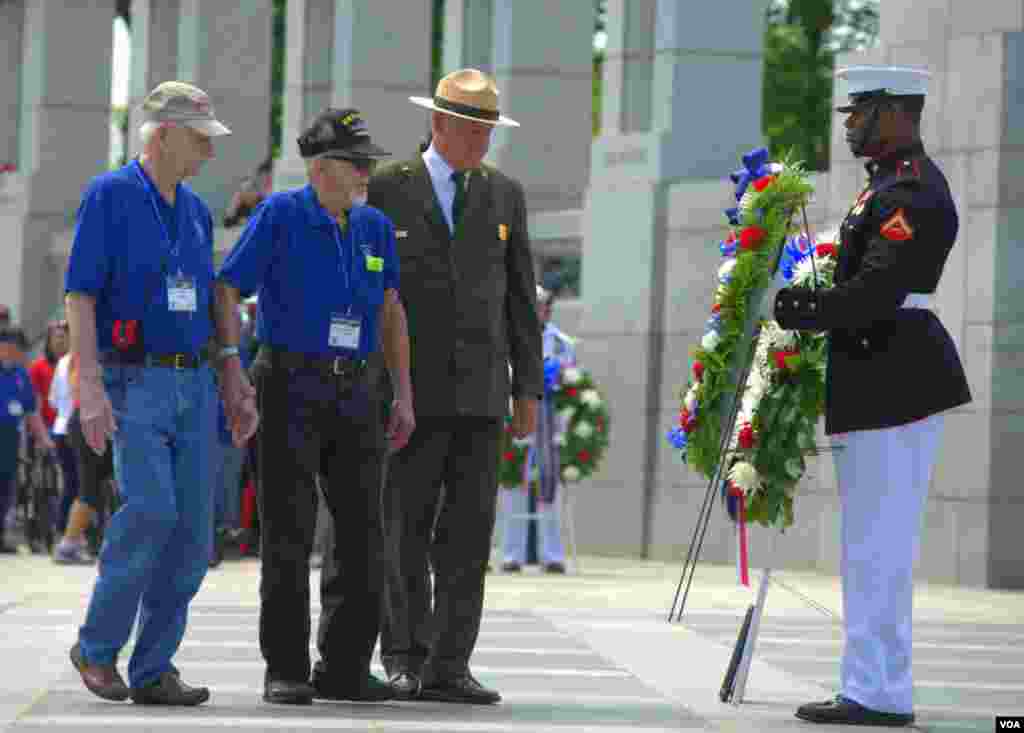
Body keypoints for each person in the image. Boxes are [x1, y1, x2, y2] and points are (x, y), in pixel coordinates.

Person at [772, 66, 972, 728]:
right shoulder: (882, 188)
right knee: (866, 545)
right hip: (875, 377)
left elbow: (875, 294)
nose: (852, 125)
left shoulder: (912, 192)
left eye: (863, 112)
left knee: (881, 545)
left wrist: (801, 306)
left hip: (898, 377)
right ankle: (868, 684)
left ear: (898, 115)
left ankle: (880, 691)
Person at [215, 107, 414, 706]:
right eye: (358, 163)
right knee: (288, 528)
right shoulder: (280, 213)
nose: (366, 174)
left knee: (363, 532)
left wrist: (403, 390)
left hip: (359, 387)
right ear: (322, 167)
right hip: (289, 383)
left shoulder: (375, 226)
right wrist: (231, 362)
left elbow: (390, 310)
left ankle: (347, 664)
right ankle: (287, 668)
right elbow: (228, 284)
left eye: (369, 163)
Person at [64, 81, 254, 707]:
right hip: (132, 378)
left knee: (196, 534)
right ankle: (97, 648)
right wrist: (86, 383)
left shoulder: (197, 211)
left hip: (194, 381)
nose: (208, 151)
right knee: (150, 510)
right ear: (164, 135)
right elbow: (82, 294)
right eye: (200, 140)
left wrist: (232, 373)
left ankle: (153, 667)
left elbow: (210, 299)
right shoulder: (110, 196)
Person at [369, 68, 543, 704]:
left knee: (468, 537)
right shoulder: (388, 186)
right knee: (404, 529)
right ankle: (404, 656)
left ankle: (451, 662)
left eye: (489, 128)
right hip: (408, 396)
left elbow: (521, 298)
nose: (481, 140)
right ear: (439, 124)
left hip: (480, 394)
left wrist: (528, 389)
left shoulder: (505, 194)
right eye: (472, 128)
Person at [500, 285, 573, 574]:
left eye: (545, 305)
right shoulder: (510, 336)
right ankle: (511, 555)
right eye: (536, 305)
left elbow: (573, 382)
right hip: (518, 418)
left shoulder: (561, 342)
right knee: (513, 487)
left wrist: (557, 377)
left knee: (548, 488)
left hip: (549, 424)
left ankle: (552, 555)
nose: (540, 310)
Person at [0, 326, 55, 553]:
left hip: (10, 437)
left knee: (6, 488)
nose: (17, 353)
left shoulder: (21, 375)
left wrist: (44, 439)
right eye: (12, 348)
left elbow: (31, 412)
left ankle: (1, 536)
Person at [208, 305, 253, 568]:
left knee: (228, 487)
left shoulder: (242, 350)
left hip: (232, 429)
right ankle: (211, 540)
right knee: (214, 487)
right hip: (213, 427)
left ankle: (223, 533)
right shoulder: (213, 349)